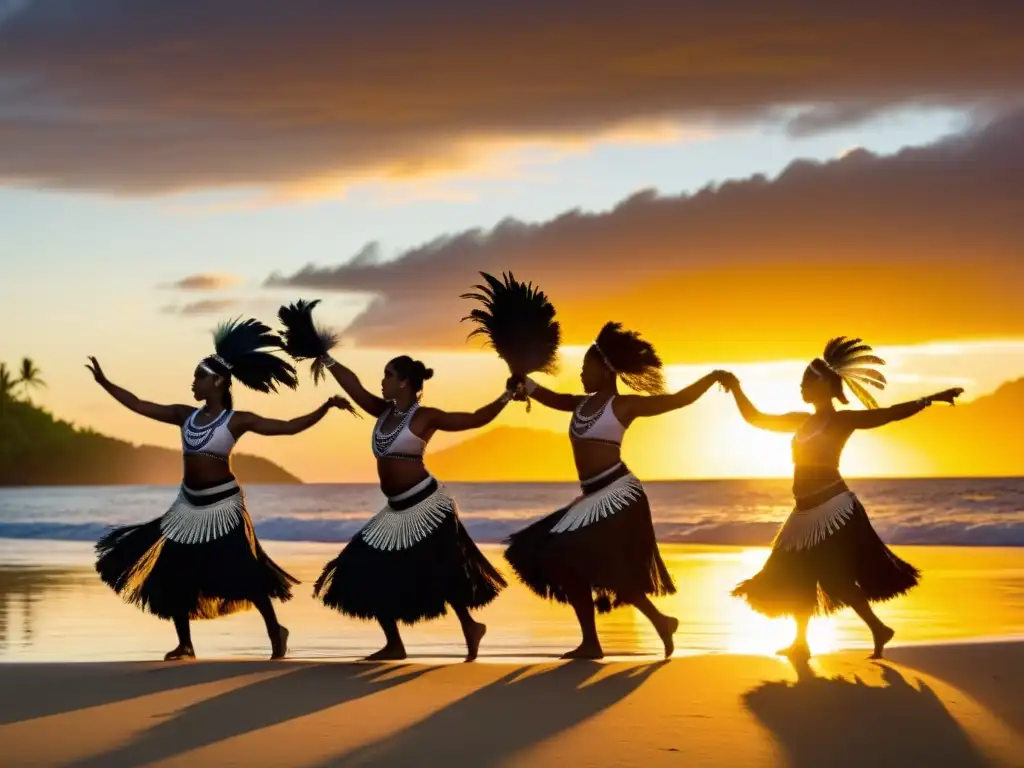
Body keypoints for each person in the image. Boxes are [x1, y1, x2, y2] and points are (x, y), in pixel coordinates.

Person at [91, 318, 355, 661]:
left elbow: (288, 428)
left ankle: (276, 631)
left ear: (216, 382)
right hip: (187, 506)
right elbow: (140, 404)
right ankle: (185, 644)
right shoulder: (184, 415)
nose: (193, 383)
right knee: (174, 572)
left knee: (243, 571)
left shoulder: (237, 420)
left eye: (198, 377)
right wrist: (105, 382)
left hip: (224, 506)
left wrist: (325, 408)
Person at [722, 337, 963, 660]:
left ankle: (876, 628)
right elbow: (757, 418)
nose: (801, 388)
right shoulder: (800, 420)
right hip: (803, 511)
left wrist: (930, 399)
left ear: (823, 387)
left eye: (806, 383)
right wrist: (736, 388)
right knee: (798, 575)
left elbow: (889, 414)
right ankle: (802, 642)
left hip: (834, 509)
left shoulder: (841, 421)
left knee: (834, 578)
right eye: (801, 383)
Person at [503, 321, 731, 659]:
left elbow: (678, 400)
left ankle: (648, 624)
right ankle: (601, 639)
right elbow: (548, 396)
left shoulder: (624, 406)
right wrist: (524, 383)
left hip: (620, 495)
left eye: (585, 367)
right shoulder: (579, 404)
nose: (580, 373)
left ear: (606, 369)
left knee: (588, 559)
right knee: (565, 559)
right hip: (592, 496)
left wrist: (712, 377)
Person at [311, 353, 511, 661]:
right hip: (397, 508)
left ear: (404, 382)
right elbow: (354, 387)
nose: (382, 381)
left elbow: (474, 418)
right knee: (363, 566)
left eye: (388, 375)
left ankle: (470, 627)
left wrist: (507, 395)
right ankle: (394, 644)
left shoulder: (425, 416)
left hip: (429, 505)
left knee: (443, 571)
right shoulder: (382, 412)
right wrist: (326, 358)